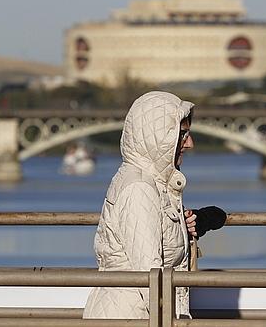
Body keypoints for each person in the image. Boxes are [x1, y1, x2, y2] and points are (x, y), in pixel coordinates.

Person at [83, 91, 196, 319]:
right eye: (182, 135)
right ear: (158, 138)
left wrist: (184, 225)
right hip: (132, 316)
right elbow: (151, 277)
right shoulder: (140, 188)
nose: (190, 144)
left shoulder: (154, 184)